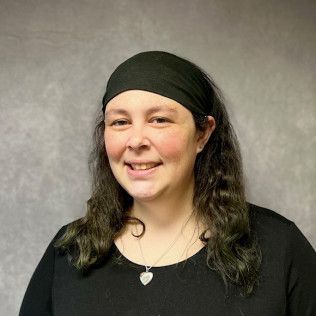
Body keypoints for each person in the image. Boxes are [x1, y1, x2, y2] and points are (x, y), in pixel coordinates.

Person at [19, 51, 316, 315]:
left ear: (202, 134)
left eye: (159, 120)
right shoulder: (69, 252)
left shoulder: (279, 247)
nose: (136, 140)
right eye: (120, 122)